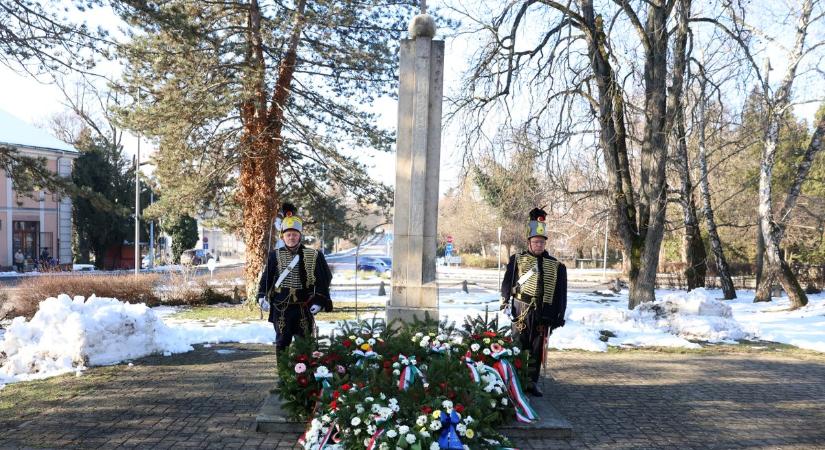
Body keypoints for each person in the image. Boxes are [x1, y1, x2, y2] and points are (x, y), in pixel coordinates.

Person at [500, 207, 567, 396]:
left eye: (542, 242)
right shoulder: (518, 260)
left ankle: (532, 382)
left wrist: (559, 315)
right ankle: (516, 381)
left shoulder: (556, 265)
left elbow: (561, 293)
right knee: (519, 345)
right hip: (521, 309)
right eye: (536, 241)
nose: (539, 245)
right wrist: (505, 302)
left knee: (537, 349)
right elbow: (507, 283)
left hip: (543, 312)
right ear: (529, 242)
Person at [257, 203, 333, 355]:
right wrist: (261, 296)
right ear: (283, 236)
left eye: (294, 234)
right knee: (282, 343)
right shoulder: (274, 255)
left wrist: (319, 301)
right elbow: (267, 277)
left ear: (300, 236)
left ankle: (302, 376)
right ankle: (284, 377)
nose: (291, 237)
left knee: (304, 344)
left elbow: (322, 280)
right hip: (281, 307)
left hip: (303, 306)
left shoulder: (314, 255)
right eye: (288, 234)